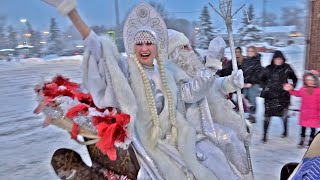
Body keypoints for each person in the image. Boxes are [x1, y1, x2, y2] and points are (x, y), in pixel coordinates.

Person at [41, 1, 251, 179]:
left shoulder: (167, 72)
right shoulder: (126, 71)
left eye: (149, 42)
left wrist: (213, 66)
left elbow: (190, 93)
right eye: (139, 43)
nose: (144, 48)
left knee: (215, 156)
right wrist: (71, 11)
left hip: (181, 134)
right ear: (132, 46)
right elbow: (98, 48)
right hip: (148, 142)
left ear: (156, 46)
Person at [167, 29, 251, 176]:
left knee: (234, 136)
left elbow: (210, 88)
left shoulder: (190, 68)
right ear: (174, 52)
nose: (191, 50)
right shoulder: (171, 74)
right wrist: (212, 65)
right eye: (184, 47)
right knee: (224, 144)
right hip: (191, 132)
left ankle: (246, 173)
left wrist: (229, 82)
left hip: (206, 124)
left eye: (189, 45)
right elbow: (192, 92)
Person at [260, 50, 298, 143]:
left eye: (280, 59)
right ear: (273, 59)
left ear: (283, 60)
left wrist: (292, 86)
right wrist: (266, 86)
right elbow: (261, 79)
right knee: (267, 117)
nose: (278, 61)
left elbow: (294, 78)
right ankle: (264, 135)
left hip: (283, 97)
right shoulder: (268, 68)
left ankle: (285, 131)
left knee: (284, 116)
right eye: (277, 59)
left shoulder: (287, 68)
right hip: (270, 97)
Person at [283, 70, 320, 147]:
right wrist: (290, 90)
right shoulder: (303, 89)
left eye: (312, 80)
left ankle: (311, 139)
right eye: (308, 80)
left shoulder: (318, 90)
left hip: (315, 113)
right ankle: (302, 139)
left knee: (313, 128)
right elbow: (297, 94)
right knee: (303, 127)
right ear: (305, 81)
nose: (310, 82)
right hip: (305, 113)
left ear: (315, 81)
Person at [242, 46, 263, 123]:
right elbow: (243, 72)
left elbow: (257, 74)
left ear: (254, 52)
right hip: (245, 83)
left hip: (254, 83)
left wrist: (251, 82)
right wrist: (243, 81)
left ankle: (253, 116)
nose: (249, 53)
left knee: (252, 99)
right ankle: (250, 112)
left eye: (251, 51)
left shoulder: (257, 61)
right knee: (245, 97)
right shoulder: (245, 60)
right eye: (248, 51)